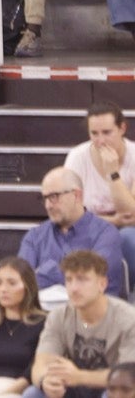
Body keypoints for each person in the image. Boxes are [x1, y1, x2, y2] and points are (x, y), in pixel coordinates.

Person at [26, 250, 135, 398]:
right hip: (71, 388)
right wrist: (46, 380)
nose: (74, 288)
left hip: (111, 388)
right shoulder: (58, 316)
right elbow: (41, 363)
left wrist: (79, 377)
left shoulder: (129, 319)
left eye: (82, 279)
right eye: (69, 280)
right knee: (33, 393)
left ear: (102, 284)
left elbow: (129, 375)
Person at [65, 104, 135, 286]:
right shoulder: (77, 157)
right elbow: (69, 215)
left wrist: (113, 174)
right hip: (89, 228)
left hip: (129, 230)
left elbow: (131, 215)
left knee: (128, 237)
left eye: (106, 132)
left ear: (122, 129)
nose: (100, 141)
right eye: (94, 133)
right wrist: (114, 221)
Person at [0, 257, 48, 398]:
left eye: (11, 283)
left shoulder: (45, 325)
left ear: (27, 287)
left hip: (25, 392)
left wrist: (5, 394)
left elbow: (31, 374)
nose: (3, 289)